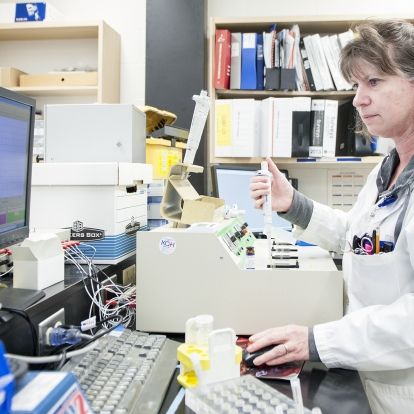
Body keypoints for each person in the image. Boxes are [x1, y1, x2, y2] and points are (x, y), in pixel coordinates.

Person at [248, 19, 414, 414]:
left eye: (373, 82)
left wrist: (315, 341)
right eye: (356, 86)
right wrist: (292, 203)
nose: (358, 99)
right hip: (370, 373)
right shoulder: (385, 169)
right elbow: (359, 241)